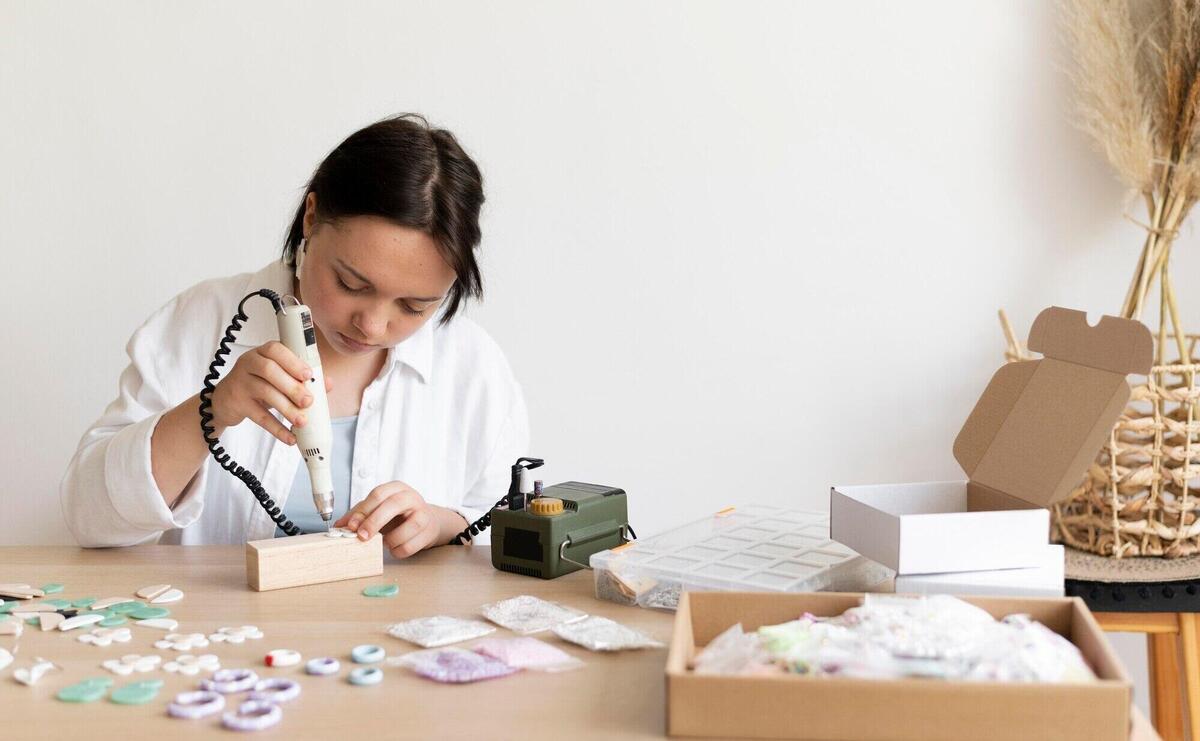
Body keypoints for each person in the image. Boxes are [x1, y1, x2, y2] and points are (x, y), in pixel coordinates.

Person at [60, 114, 529, 558]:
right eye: (351, 284)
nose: (372, 325)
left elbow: (507, 533)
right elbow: (91, 519)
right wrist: (213, 410)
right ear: (311, 217)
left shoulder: (474, 368)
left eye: (414, 306)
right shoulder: (199, 323)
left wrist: (443, 525)